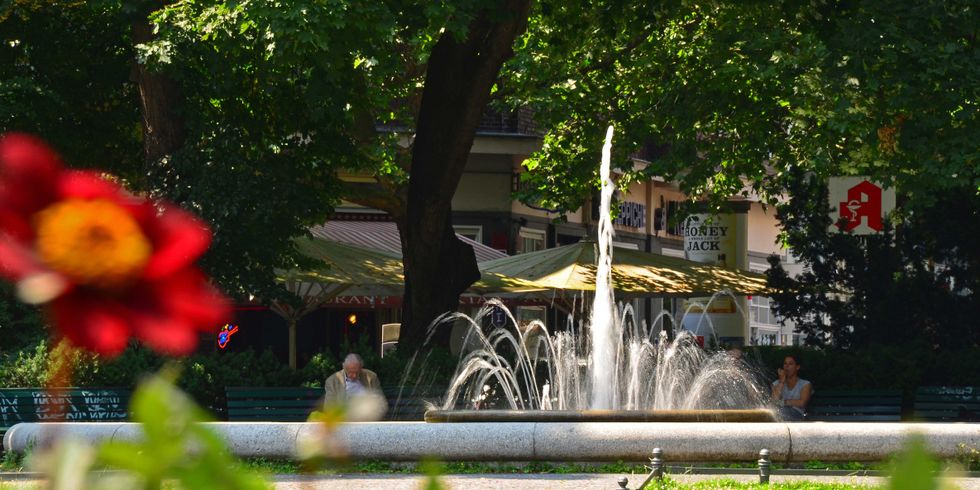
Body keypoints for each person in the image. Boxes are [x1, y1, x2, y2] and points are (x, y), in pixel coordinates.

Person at [325, 353, 387, 419]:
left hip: (367, 419)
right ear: (345, 368)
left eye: (357, 372)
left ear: (361, 368)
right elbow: (329, 407)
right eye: (351, 372)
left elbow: (381, 403)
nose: (354, 375)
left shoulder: (371, 377)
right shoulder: (332, 381)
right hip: (344, 420)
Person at [771, 354, 812, 421]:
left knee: (781, 413)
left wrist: (783, 402)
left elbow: (802, 403)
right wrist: (781, 381)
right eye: (785, 363)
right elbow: (774, 400)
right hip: (779, 413)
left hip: (796, 414)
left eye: (790, 364)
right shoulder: (776, 383)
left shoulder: (805, 384)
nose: (786, 366)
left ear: (797, 367)